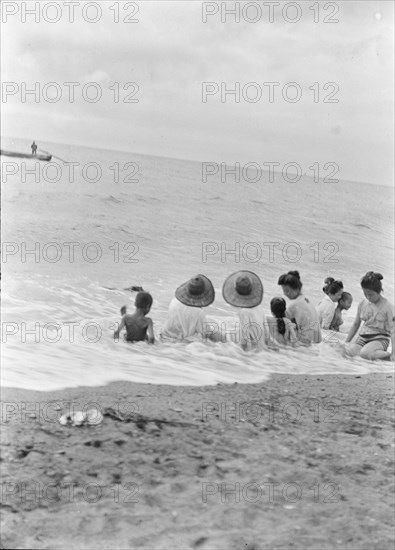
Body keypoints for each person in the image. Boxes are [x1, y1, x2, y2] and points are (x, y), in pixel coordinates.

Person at [345, 272, 394, 360]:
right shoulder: (363, 304)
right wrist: (346, 342)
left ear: (379, 291)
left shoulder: (388, 307)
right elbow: (356, 324)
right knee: (348, 352)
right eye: (365, 294)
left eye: (371, 294)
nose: (368, 297)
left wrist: (394, 353)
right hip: (363, 337)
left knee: (365, 353)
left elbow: (393, 331)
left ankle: (389, 357)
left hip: (380, 339)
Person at [161, 275, 219, 342]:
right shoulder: (199, 312)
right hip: (181, 342)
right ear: (203, 294)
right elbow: (205, 333)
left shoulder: (174, 301)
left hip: (164, 335)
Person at [222, 270, 270, 351]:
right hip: (262, 349)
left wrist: (242, 353)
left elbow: (245, 336)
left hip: (253, 351)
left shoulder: (243, 311)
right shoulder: (259, 307)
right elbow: (267, 332)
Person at [278, 270, 321, 344]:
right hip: (317, 342)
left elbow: (280, 322)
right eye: (284, 291)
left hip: (305, 344)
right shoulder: (306, 300)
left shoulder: (294, 305)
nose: (285, 294)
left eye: (287, 291)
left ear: (297, 288)